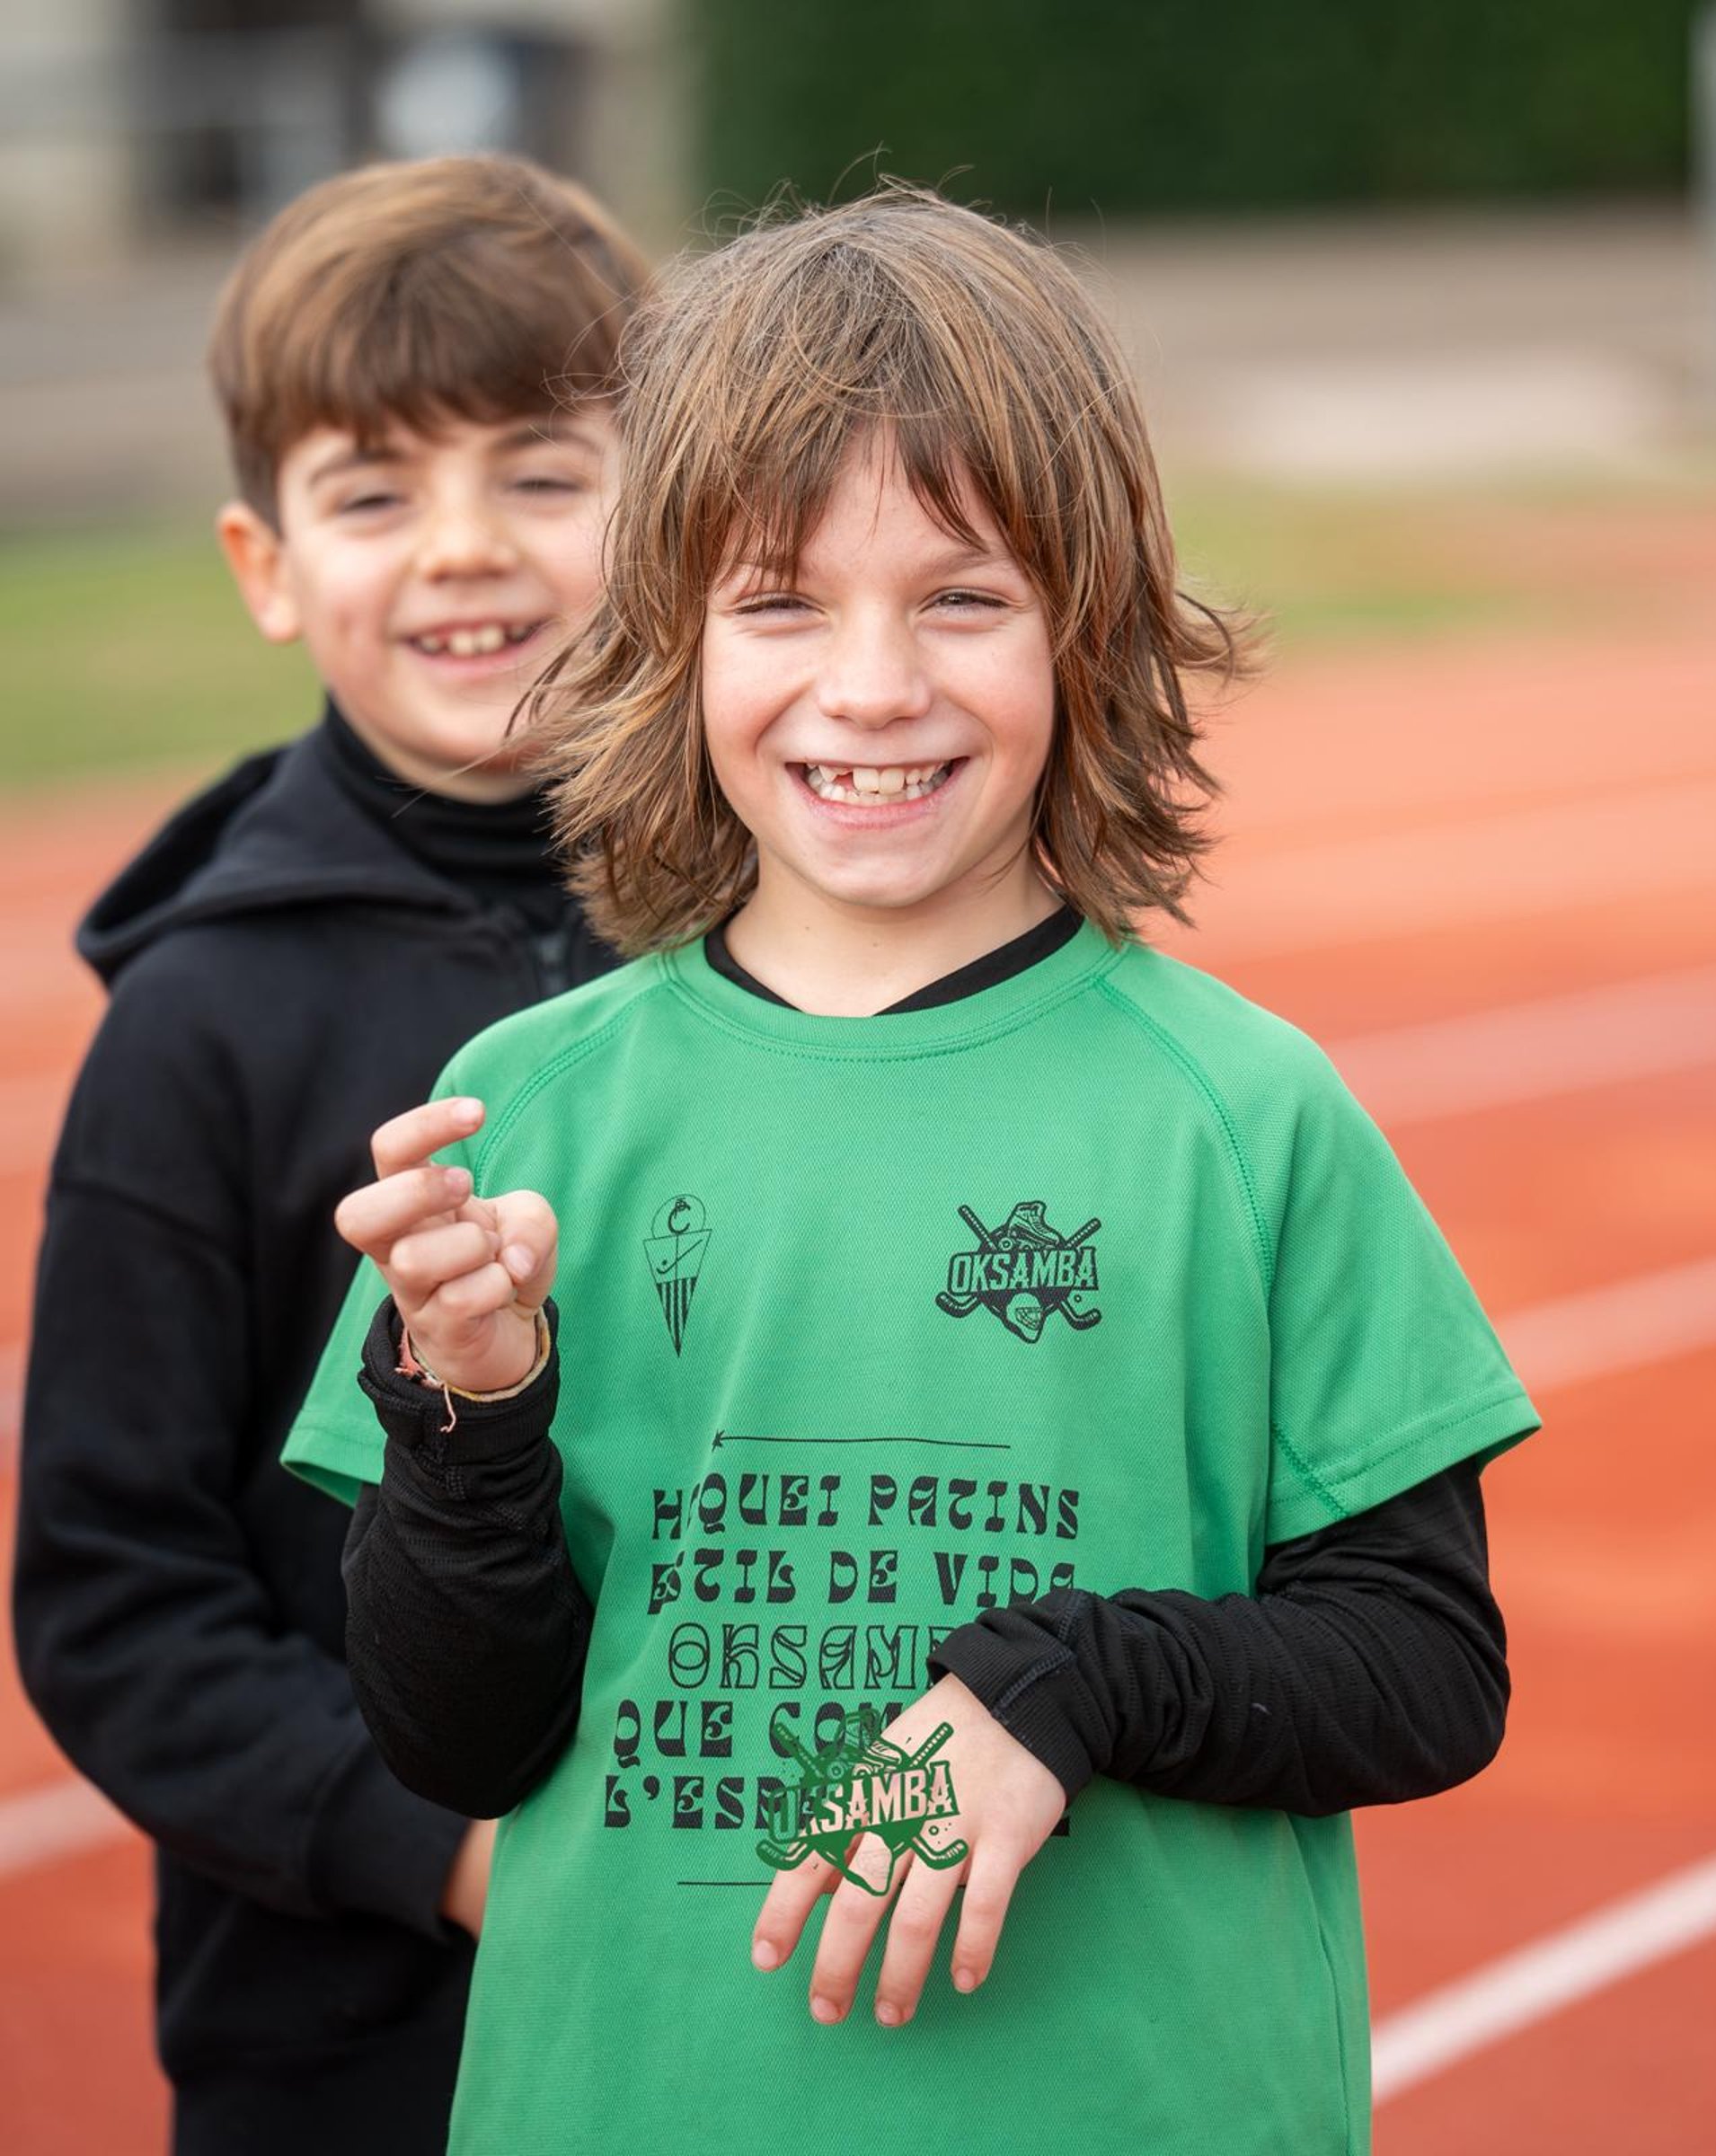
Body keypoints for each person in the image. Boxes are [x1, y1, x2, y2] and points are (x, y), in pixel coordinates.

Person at [285, 189, 1538, 2155]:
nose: (870, 686)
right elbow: (456, 1733)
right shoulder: (524, 1115)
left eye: (960, 598)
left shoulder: (1245, 1113)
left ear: (1088, 619)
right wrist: (472, 1415)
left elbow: (1425, 1669)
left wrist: (1063, 1687)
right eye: (781, 602)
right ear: (671, 640)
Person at [12, 154, 649, 2155]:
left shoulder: (780, 938)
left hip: (753, 1977)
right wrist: (442, 1854)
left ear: (674, 508)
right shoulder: (201, 1026)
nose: (463, 547)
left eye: (544, 471)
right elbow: (115, 1594)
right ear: (267, 561)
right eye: (376, 491)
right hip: (361, 2046)